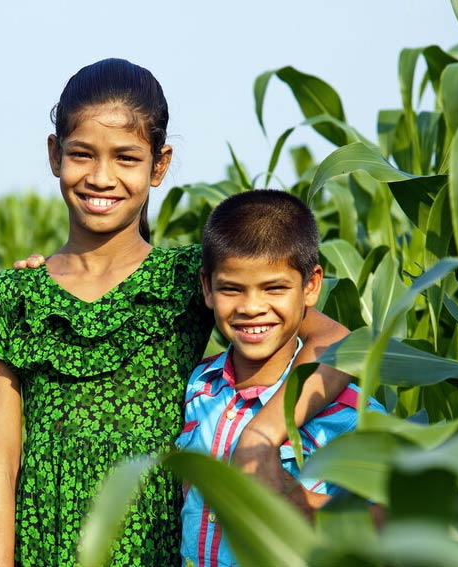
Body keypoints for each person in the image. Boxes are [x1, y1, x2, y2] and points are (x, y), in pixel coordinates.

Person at [0, 58, 351, 567]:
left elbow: (339, 342)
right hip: (48, 549)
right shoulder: (13, 299)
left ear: (159, 165)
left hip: (161, 547)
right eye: (82, 154)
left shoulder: (190, 279)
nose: (101, 177)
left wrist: (263, 434)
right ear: (54, 154)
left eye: (126, 158)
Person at [177, 189, 385, 567]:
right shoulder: (198, 387)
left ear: (311, 285)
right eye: (231, 289)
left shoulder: (346, 410)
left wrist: (314, 512)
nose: (252, 308)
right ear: (207, 287)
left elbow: (410, 518)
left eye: (274, 288)